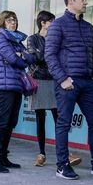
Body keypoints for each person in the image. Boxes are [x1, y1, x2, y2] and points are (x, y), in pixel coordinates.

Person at [45, 0, 93, 180]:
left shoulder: (89, 28)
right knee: (63, 123)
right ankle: (62, 166)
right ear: (70, 1)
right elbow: (49, 55)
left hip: (87, 83)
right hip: (68, 82)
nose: (86, 2)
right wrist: (62, 79)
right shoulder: (58, 25)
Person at [27, 11, 82, 168]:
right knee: (40, 118)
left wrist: (47, 56)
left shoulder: (56, 38)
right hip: (39, 80)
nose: (54, 24)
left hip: (55, 79)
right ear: (43, 23)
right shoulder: (33, 38)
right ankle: (41, 153)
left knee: (59, 117)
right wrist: (49, 56)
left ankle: (65, 152)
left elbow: (58, 56)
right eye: (51, 22)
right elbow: (35, 57)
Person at [0, 11, 36, 173]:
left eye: (14, 20)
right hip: (4, 86)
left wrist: (21, 54)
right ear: (2, 23)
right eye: (8, 20)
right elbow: (15, 60)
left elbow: (30, 58)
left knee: (10, 122)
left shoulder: (15, 40)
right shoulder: (1, 39)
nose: (13, 22)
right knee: (1, 121)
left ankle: (2, 156)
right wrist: (20, 56)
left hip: (16, 85)